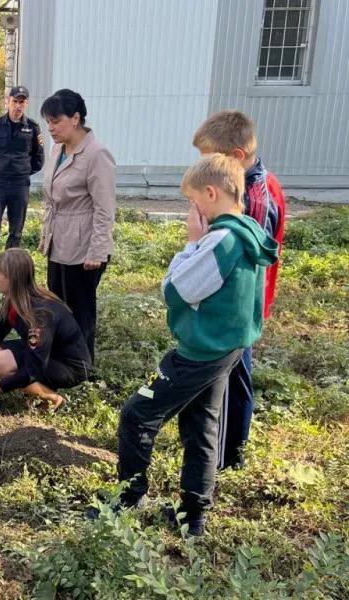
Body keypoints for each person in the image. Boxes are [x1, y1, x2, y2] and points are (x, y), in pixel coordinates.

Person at [114, 154, 278, 536]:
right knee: (202, 426)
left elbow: (175, 290)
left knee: (137, 415)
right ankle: (193, 516)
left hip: (199, 352)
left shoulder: (221, 240)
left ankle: (128, 498)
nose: (192, 210)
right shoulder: (249, 230)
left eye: (192, 201)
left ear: (211, 192)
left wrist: (191, 244)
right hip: (226, 349)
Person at [192, 110, 287, 470]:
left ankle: (225, 459)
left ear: (233, 158)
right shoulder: (244, 187)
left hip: (236, 312)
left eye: (209, 160)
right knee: (233, 377)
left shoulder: (255, 199)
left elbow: (243, 263)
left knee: (231, 381)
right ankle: (226, 451)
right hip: (235, 312)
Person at [0, 248, 89, 411]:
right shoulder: (14, 299)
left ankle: (52, 397)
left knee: (1, 364)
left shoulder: (40, 315)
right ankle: (35, 392)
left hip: (68, 365)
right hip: (46, 352)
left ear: (12, 278)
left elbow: (33, 369)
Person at [39, 89, 116, 364]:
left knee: (80, 308)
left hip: (83, 248)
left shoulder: (96, 154)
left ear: (75, 118)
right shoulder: (57, 149)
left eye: (55, 121)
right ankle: (63, 357)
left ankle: (83, 364)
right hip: (58, 241)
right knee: (57, 303)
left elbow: (104, 208)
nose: (51, 128)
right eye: (48, 122)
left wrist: (97, 251)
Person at [0, 85, 45, 272]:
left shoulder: (32, 128)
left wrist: (22, 171)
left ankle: (9, 269)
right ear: (8, 101)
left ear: (27, 104)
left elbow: (39, 157)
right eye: (15, 101)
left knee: (16, 230)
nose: (18, 105)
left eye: (22, 102)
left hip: (20, 184)